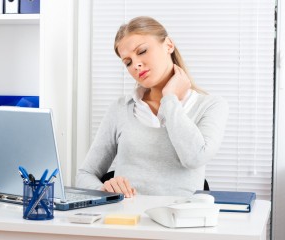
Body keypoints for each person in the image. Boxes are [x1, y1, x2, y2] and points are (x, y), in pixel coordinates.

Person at [76, 16, 228, 198]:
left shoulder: (210, 105)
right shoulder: (120, 109)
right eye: (128, 62)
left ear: (169, 45)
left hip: (179, 222)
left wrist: (170, 99)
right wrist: (105, 189)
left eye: (142, 51)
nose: (136, 65)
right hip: (126, 221)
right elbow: (85, 175)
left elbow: (194, 158)